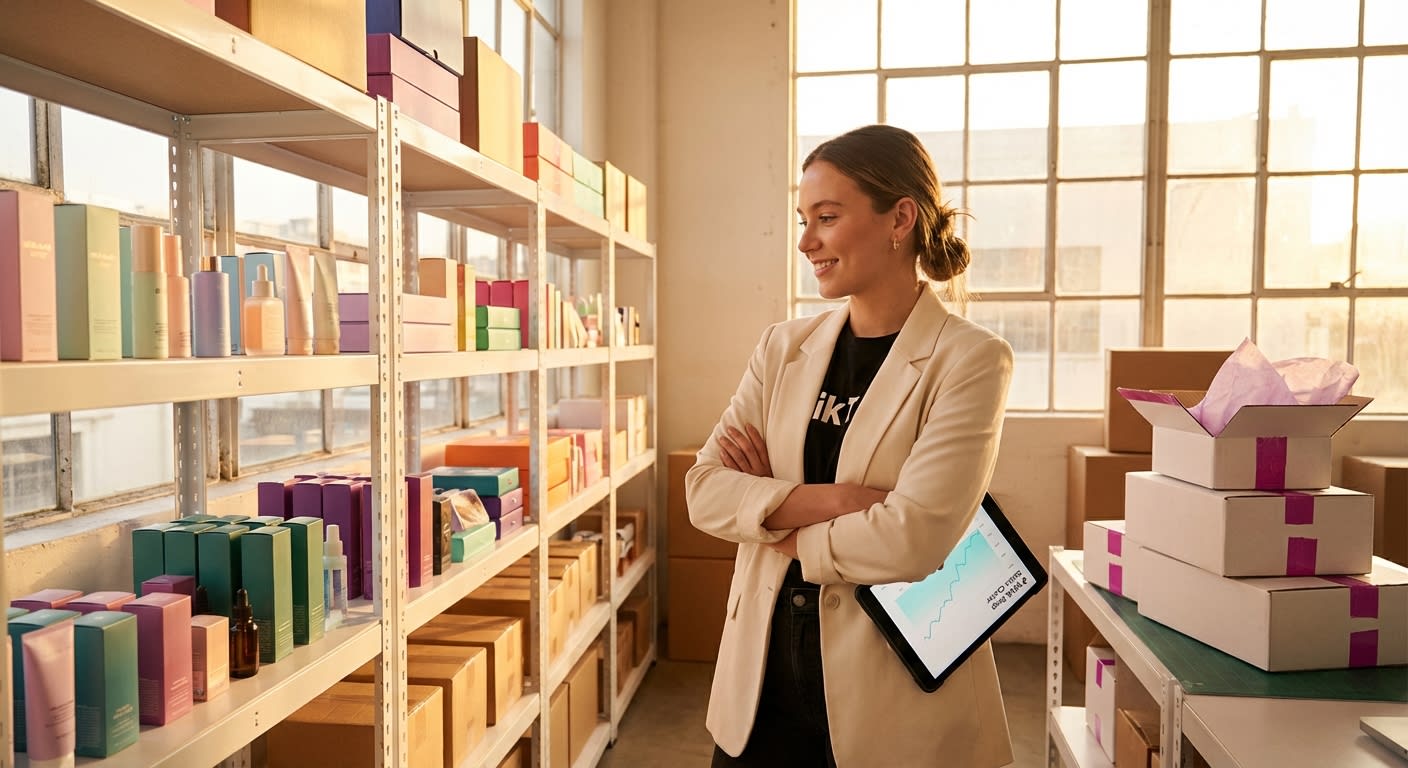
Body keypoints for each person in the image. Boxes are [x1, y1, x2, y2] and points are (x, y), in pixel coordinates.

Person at [686, 124, 1016, 768]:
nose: (806, 241)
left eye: (827, 218)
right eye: (804, 219)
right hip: (761, 682)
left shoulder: (970, 359)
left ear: (900, 219)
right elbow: (704, 491)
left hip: (890, 689)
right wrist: (840, 500)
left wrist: (772, 522)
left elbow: (913, 537)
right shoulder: (782, 348)